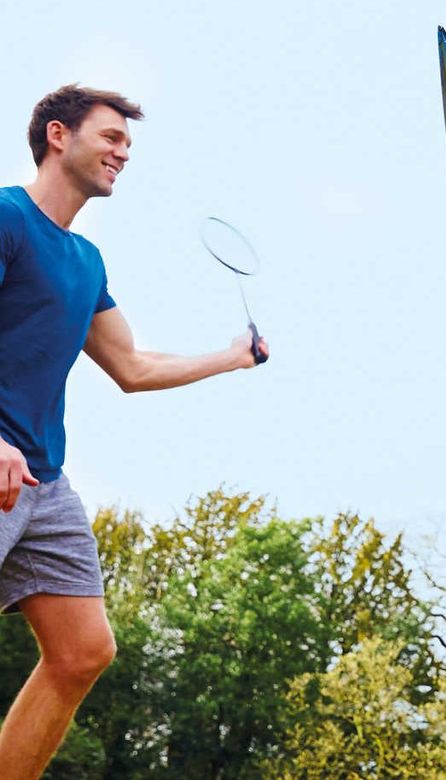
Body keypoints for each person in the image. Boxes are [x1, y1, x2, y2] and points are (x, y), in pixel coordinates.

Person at [0, 84, 268, 777]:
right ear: (59, 136)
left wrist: (231, 357)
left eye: (129, 144)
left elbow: (131, 365)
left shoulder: (85, 261)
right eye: (112, 137)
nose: (124, 152)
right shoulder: (5, 217)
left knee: (83, 651)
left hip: (43, 481)